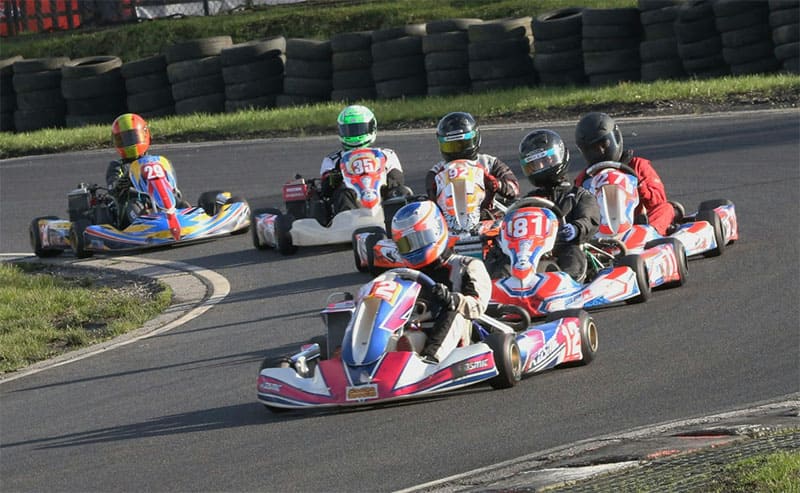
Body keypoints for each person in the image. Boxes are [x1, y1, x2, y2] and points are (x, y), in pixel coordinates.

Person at [390, 200, 492, 364]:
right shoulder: (403, 275)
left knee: (454, 311)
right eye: (406, 244)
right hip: (413, 329)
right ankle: (367, 364)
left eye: (419, 239)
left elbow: (477, 306)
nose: (413, 248)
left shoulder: (467, 265)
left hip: (457, 335)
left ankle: (430, 361)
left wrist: (453, 299)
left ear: (436, 230)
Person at [516, 129, 601, 282]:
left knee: (572, 254)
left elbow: (590, 219)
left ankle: (568, 284)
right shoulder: (528, 201)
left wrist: (576, 228)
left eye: (545, 161)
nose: (541, 166)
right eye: (535, 164)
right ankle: (499, 286)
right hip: (532, 253)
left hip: (566, 246)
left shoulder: (579, 195)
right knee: (502, 260)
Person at [573, 112, 675, 235]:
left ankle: (648, 234)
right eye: (593, 148)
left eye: (604, 144)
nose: (600, 151)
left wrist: (639, 186)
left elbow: (658, 200)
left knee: (666, 208)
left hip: (637, 226)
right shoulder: (585, 177)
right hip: (600, 230)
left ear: (615, 138)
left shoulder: (637, 165)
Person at [425, 111, 519, 218]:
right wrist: (435, 190)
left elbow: (514, 189)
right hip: (448, 223)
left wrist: (495, 183)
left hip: (486, 220)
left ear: (476, 138)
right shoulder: (437, 172)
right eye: (451, 146)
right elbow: (431, 200)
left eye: (463, 144)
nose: (458, 151)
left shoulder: (489, 163)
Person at [319, 104, 405, 218]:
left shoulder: (387, 154)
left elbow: (397, 179)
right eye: (350, 130)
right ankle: (348, 227)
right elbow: (326, 188)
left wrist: (383, 177)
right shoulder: (333, 159)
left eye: (359, 129)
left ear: (371, 127)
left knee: (400, 191)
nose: (355, 135)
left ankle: (398, 221)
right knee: (343, 193)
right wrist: (337, 177)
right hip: (352, 197)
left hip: (380, 194)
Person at [107, 113, 186, 229]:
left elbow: (172, 185)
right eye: (123, 140)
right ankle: (146, 226)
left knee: (179, 202)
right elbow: (112, 190)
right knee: (134, 206)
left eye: (133, 137)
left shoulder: (158, 161)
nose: (130, 143)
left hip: (160, 201)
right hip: (129, 209)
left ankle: (186, 220)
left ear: (145, 135)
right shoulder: (117, 166)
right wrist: (124, 181)